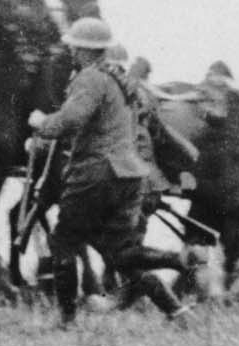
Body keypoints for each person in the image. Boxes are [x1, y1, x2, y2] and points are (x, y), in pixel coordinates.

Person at [35, 16, 184, 320]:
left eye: (75, 48)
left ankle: (65, 320)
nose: (72, 53)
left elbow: (72, 120)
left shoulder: (89, 77)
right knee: (119, 251)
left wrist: (42, 124)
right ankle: (178, 265)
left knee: (63, 242)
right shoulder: (122, 79)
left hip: (95, 173)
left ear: (85, 50)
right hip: (129, 176)